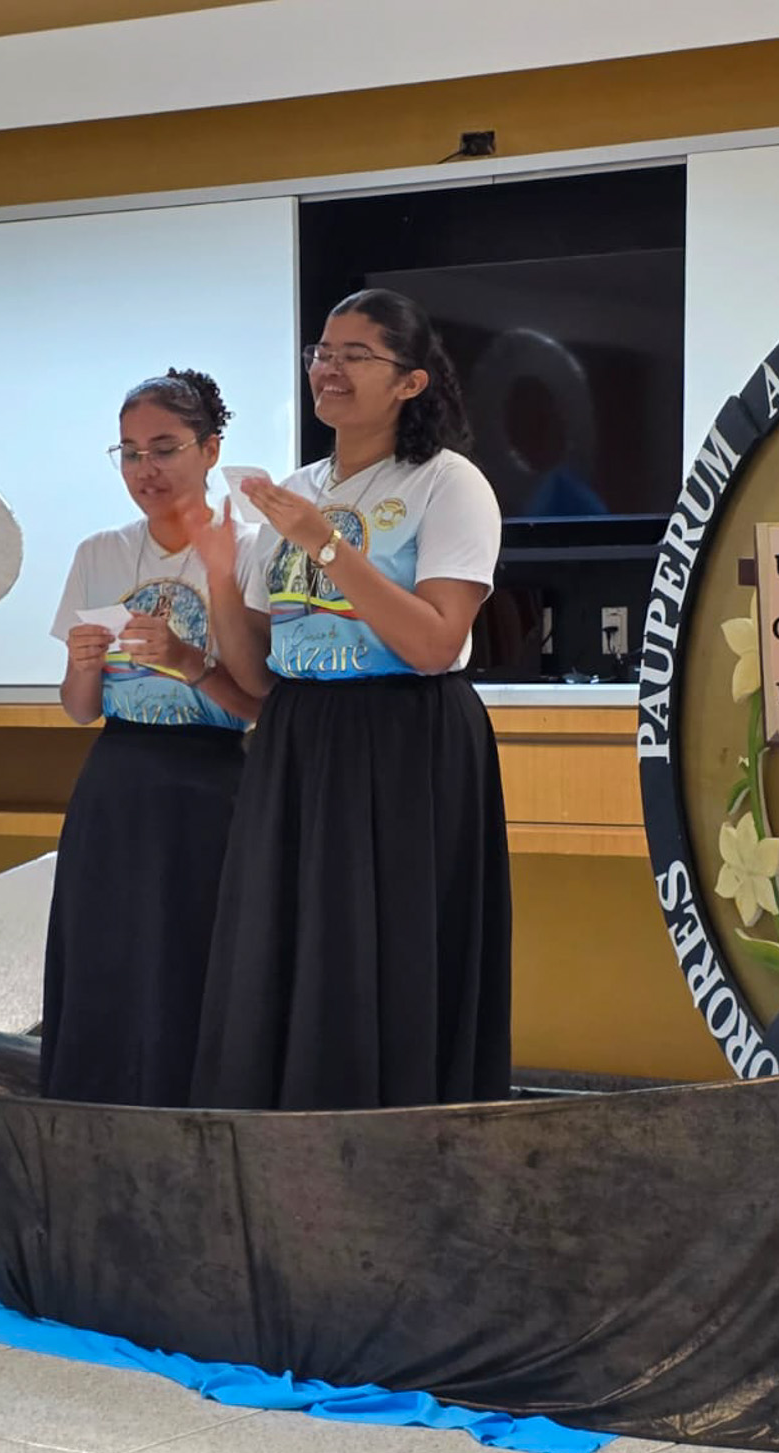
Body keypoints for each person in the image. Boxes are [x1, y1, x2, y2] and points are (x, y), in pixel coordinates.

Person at [189, 289, 511, 1110]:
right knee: (288, 945)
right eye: (321, 353)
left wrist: (325, 544)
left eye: (354, 355)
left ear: (410, 381)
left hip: (405, 738)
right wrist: (220, 571)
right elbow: (257, 674)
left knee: (392, 948)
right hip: (301, 737)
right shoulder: (294, 491)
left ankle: (396, 1134)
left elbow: (435, 642)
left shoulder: (449, 484)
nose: (328, 369)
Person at [40, 368, 264, 1105]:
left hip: (214, 782)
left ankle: (193, 1117)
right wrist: (83, 667)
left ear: (210, 450)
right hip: (118, 776)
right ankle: (95, 1112)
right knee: (104, 954)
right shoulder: (100, 552)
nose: (146, 470)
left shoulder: (252, 549)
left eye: (164, 449)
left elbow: (261, 704)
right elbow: (80, 710)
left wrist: (189, 661)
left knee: (193, 962)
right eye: (131, 453)